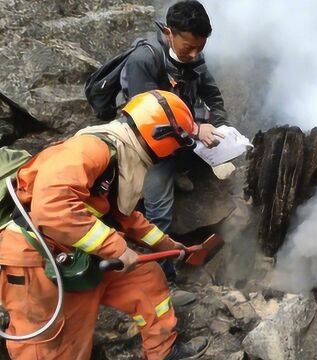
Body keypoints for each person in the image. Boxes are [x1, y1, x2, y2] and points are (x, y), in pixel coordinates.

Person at [0, 91, 208, 359]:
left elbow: (123, 215)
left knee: (146, 279)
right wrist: (116, 248)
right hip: (36, 259)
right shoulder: (91, 149)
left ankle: (163, 352)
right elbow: (51, 208)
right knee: (56, 347)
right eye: (179, 141)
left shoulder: (123, 155)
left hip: (78, 252)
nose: (177, 150)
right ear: (161, 135)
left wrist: (167, 244)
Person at [120, 0, 228, 299]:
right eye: (188, 48)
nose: (194, 55)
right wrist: (195, 130)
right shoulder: (144, 60)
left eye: (199, 47)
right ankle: (163, 283)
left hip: (182, 142)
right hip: (150, 147)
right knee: (159, 212)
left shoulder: (194, 56)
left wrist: (222, 127)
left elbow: (213, 96)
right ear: (169, 33)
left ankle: (181, 168)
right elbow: (147, 119)